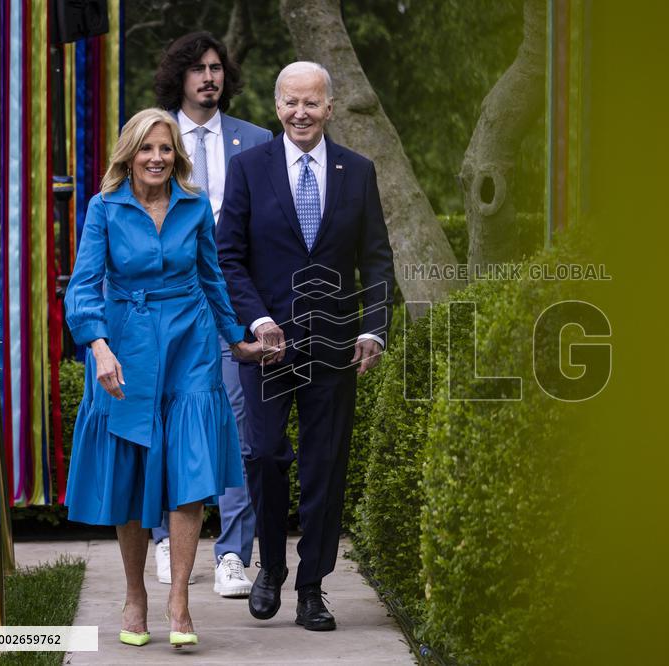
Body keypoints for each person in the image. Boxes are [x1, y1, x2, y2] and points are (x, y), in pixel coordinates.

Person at [64, 108, 261, 648]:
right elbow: (82, 287)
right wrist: (99, 347)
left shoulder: (196, 207)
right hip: (124, 345)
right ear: (129, 154)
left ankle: (179, 601)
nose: (157, 158)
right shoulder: (103, 209)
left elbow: (212, 277)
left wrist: (237, 336)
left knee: (190, 465)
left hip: (190, 341)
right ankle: (135, 595)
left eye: (167, 149)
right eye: (147, 148)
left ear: (177, 156)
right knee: (130, 468)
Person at [217, 62, 395, 631]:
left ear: (330, 108)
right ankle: (269, 567)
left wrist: (372, 328)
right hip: (267, 349)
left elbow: (376, 260)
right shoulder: (248, 168)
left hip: (336, 347)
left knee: (325, 466)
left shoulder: (357, 171)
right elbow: (228, 257)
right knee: (266, 455)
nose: (301, 113)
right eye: (291, 102)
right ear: (277, 107)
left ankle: (312, 588)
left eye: (311, 103)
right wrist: (258, 319)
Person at [150, 30, 272, 599]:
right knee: (159, 422)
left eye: (217, 67)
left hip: (229, 303)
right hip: (163, 305)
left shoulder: (256, 140)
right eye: (198, 68)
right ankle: (160, 539)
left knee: (238, 427)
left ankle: (231, 553)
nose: (209, 77)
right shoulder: (153, 138)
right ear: (180, 75)